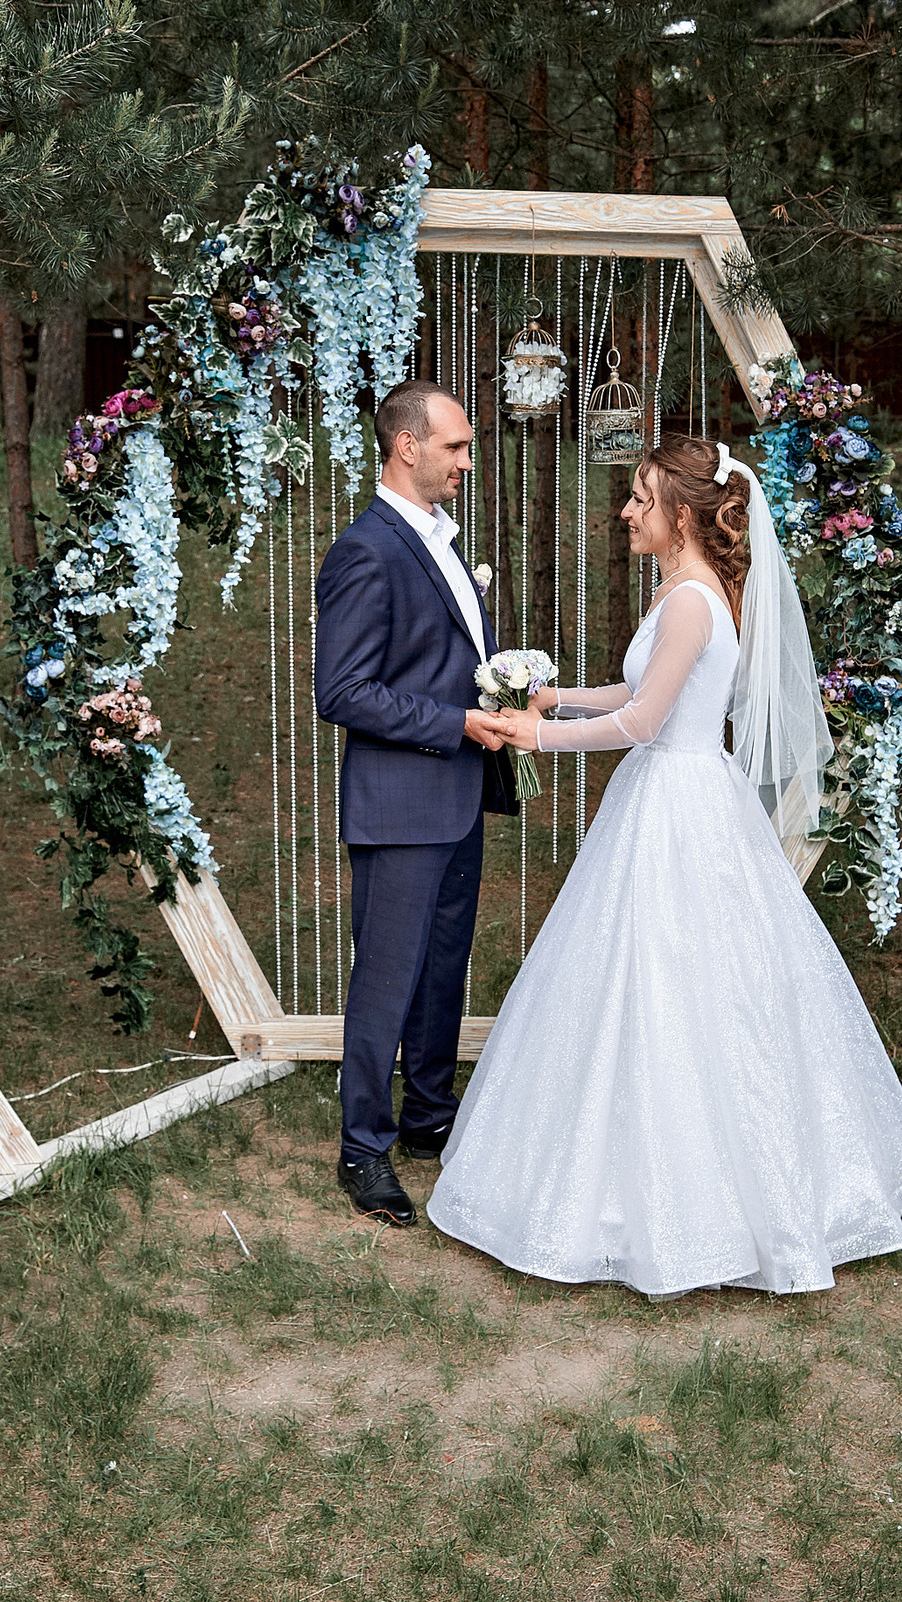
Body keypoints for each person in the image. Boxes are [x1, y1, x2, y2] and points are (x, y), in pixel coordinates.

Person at [425, 434, 902, 1297]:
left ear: (683, 515)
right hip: (672, 789)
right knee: (642, 977)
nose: (627, 511)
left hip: (678, 800)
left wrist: (536, 736)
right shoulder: (684, 591)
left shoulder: (693, 601)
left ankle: (699, 1202)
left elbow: (643, 724)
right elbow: (637, 696)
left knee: (677, 979)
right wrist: (557, 696)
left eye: (641, 498)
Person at [313, 382, 520, 1226]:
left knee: (443, 968)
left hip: (458, 795)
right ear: (407, 446)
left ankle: (431, 1116)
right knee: (387, 977)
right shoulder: (366, 550)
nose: (468, 461)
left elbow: (446, 657)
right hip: (400, 802)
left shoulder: (440, 539)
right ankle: (363, 1146)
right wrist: (456, 722)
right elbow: (342, 690)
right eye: (456, 447)